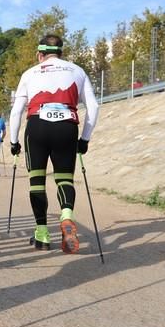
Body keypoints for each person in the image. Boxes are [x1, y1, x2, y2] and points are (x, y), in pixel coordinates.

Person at [8, 34, 99, 253]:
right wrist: (84, 139)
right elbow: (94, 107)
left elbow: (15, 112)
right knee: (64, 179)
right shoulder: (77, 70)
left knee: (37, 182)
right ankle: (66, 216)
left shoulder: (30, 73)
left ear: (40, 54)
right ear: (61, 53)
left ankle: (42, 233)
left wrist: (13, 142)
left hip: (37, 127)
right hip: (67, 127)